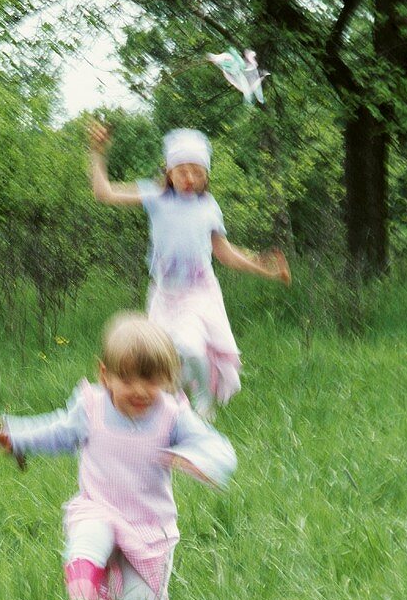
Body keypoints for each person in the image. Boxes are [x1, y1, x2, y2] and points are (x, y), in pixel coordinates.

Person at [0, 313, 236, 600]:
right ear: (105, 375)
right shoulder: (91, 408)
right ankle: (84, 599)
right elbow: (57, 430)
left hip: (148, 527)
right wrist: (17, 436)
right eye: (127, 379)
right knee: (89, 536)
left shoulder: (172, 415)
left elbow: (219, 448)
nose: (139, 390)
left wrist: (198, 459)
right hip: (100, 508)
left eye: (150, 380)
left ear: (167, 377)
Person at [89, 122, 291, 415]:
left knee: (191, 347)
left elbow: (224, 253)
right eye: (182, 170)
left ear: (206, 175)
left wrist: (264, 269)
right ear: (168, 172)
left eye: (197, 172)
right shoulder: (156, 197)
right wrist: (98, 153)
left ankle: (205, 402)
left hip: (198, 293)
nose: (189, 178)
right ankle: (172, 412)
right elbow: (104, 193)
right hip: (164, 294)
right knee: (161, 360)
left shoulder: (208, 206)